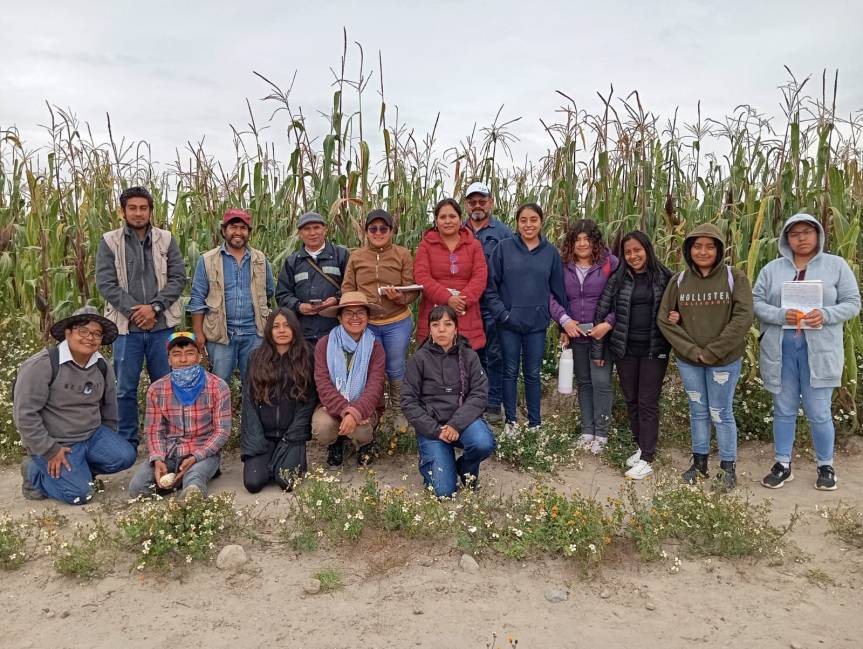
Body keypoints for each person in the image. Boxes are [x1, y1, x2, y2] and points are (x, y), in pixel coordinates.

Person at [753, 213, 861, 491]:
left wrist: (825, 314)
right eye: (794, 233)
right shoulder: (772, 269)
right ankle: (782, 464)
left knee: (819, 411)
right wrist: (780, 315)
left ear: (819, 235)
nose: (801, 238)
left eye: (807, 232)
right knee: (784, 409)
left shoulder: (836, 267)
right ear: (786, 238)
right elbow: (756, 303)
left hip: (820, 349)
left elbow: (852, 303)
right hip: (782, 348)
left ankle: (826, 465)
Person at [657, 223, 753, 489]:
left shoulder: (735, 278)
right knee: (698, 412)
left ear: (719, 250)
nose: (703, 251)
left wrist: (712, 351)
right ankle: (699, 465)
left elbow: (743, 318)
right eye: (697, 246)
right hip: (690, 362)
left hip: (724, 361)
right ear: (689, 250)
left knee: (721, 412)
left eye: (710, 246)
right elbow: (664, 319)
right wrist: (692, 351)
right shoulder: (679, 281)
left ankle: (727, 469)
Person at [13, 306, 136, 504]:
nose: (90, 338)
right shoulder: (43, 364)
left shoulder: (102, 366)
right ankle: (35, 474)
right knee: (79, 495)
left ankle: (80, 471)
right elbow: (25, 414)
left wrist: (107, 437)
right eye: (84, 331)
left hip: (91, 436)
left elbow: (109, 407)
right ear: (68, 333)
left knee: (125, 456)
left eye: (97, 334)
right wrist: (50, 450)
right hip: (57, 441)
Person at [95, 186, 187, 448]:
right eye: (132, 208)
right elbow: (106, 283)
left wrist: (154, 307)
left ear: (150, 211)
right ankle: (128, 440)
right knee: (124, 388)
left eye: (143, 208)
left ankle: (167, 438)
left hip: (161, 327)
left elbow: (178, 278)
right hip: (126, 329)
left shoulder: (166, 239)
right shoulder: (109, 241)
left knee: (167, 386)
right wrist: (136, 311)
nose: (138, 213)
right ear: (123, 211)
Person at [593, 231, 673, 479]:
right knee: (632, 400)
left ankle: (648, 458)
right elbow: (602, 311)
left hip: (654, 349)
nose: (633, 256)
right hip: (625, 349)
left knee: (648, 401)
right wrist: (598, 349)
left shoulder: (665, 278)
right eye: (628, 252)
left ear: (647, 249)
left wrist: (677, 317)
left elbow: (679, 305)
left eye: (637, 250)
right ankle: (641, 446)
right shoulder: (618, 279)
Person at [484, 203, 566, 431]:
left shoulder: (550, 253)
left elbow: (558, 291)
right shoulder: (504, 248)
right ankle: (510, 421)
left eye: (533, 220)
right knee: (509, 371)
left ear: (541, 221)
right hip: (509, 323)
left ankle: (534, 423)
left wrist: (562, 325)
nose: (528, 225)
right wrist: (503, 315)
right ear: (517, 223)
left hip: (536, 325)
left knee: (532, 373)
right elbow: (490, 287)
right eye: (523, 220)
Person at [402, 305, 496, 498]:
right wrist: (436, 430)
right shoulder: (419, 359)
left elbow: (479, 393)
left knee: (483, 443)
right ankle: (440, 464)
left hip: (463, 423)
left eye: (447, 324)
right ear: (430, 329)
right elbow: (408, 402)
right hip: (433, 428)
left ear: (456, 328)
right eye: (435, 325)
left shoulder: (469, 356)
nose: (441, 329)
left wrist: (455, 425)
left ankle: (465, 468)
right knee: (444, 492)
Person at [127, 332, 232, 499]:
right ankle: (180, 479)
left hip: (202, 451)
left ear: (199, 357)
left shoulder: (218, 386)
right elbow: (154, 430)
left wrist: (197, 456)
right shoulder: (157, 389)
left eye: (190, 353)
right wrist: (158, 459)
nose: (183, 360)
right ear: (169, 360)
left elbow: (222, 431)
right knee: (137, 489)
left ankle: (193, 482)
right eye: (176, 355)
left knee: (194, 482)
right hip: (169, 452)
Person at [342, 209, 418, 430]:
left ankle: (397, 410)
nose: (378, 232)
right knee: (369, 367)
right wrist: (356, 308)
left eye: (383, 228)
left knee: (395, 366)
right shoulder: (356, 257)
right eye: (373, 228)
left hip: (397, 321)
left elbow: (413, 290)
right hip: (368, 323)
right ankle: (375, 410)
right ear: (366, 231)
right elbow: (347, 288)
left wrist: (400, 297)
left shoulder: (403, 254)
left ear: (392, 231)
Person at [549, 219, 619, 455]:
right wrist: (564, 321)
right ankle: (587, 430)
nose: (582, 243)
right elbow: (550, 296)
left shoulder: (610, 264)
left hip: (601, 335)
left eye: (586, 239)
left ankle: (602, 433)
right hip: (575, 333)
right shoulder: (562, 265)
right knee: (584, 382)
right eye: (577, 239)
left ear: (595, 241)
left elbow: (623, 297)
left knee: (601, 382)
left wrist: (608, 323)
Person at [187, 208, 274, 386]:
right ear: (224, 230)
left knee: (254, 385)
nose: (238, 232)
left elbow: (268, 292)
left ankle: (249, 415)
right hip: (220, 335)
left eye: (243, 228)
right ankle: (221, 415)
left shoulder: (260, 259)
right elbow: (197, 299)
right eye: (233, 227)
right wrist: (198, 333)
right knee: (218, 385)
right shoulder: (207, 260)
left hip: (254, 334)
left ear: (249, 232)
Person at [241, 308, 317, 493]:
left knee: (286, 482)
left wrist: (291, 436)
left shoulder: (307, 355)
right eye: (276, 326)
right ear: (269, 330)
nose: (282, 330)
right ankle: (271, 458)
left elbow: (309, 400)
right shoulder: (256, 357)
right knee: (253, 483)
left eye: (287, 325)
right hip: (264, 436)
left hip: (291, 434)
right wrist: (256, 439)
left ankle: (292, 457)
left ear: (295, 329)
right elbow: (249, 401)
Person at [313, 292, 387, 467]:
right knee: (322, 427)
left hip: (365, 408)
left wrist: (355, 413)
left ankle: (364, 444)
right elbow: (323, 385)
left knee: (362, 430)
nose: (355, 318)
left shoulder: (375, 348)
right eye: (348, 313)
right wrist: (346, 410)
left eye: (360, 313)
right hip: (331, 406)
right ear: (339, 318)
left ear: (368, 317)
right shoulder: (324, 344)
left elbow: (374, 389)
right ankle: (335, 443)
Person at [464, 181, 513, 423]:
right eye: (472, 202)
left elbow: (511, 268)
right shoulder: (458, 231)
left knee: (495, 354)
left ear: (490, 203)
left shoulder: (503, 233)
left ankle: (494, 403)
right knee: (471, 355)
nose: (477, 206)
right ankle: (474, 402)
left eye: (482, 201)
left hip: (492, 303)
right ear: (466, 205)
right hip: (465, 305)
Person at [414, 198, 488, 350]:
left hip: (465, 310)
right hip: (434, 310)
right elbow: (422, 276)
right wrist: (447, 298)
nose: (447, 221)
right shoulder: (425, 245)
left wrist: (460, 301)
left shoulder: (474, 245)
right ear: (436, 221)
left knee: (464, 363)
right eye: (442, 217)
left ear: (461, 220)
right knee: (433, 364)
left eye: (452, 216)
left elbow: (480, 276)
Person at [275, 211, 350, 347]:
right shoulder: (292, 262)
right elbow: (282, 294)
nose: (312, 233)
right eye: (307, 229)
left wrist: (336, 300)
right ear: (300, 233)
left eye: (316, 227)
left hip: (336, 332)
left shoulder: (341, 256)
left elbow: (351, 287)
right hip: (303, 335)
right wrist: (298, 306)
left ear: (325, 229)